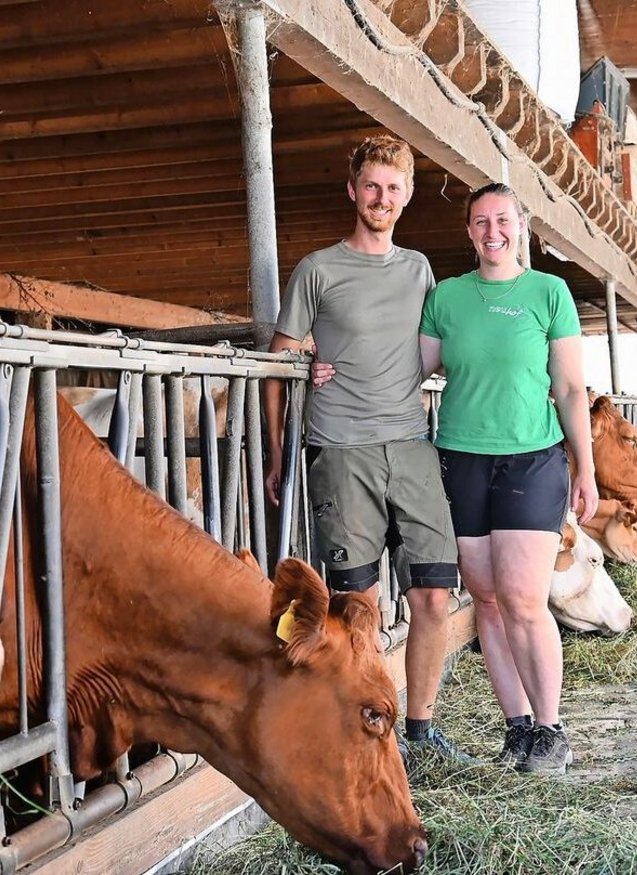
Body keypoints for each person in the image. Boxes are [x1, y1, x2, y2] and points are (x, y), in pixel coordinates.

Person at [264, 134, 470, 762]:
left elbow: (434, 350)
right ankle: (371, 729)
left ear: (406, 199)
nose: (382, 198)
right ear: (353, 190)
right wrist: (279, 447)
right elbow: (278, 357)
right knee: (359, 606)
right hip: (341, 447)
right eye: (372, 186)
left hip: (410, 443)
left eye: (394, 189)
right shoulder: (318, 270)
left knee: (434, 594)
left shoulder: (418, 271)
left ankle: (421, 728)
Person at [418, 182, 598, 774]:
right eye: (480, 222)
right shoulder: (446, 298)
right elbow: (411, 369)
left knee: (523, 598)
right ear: (468, 232)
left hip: (532, 458)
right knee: (488, 602)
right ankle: (517, 727)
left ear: (522, 226)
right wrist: (329, 357)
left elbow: (571, 388)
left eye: (503, 220)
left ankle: (551, 730)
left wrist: (585, 467)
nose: (491, 231)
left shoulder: (549, 293)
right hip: (462, 459)